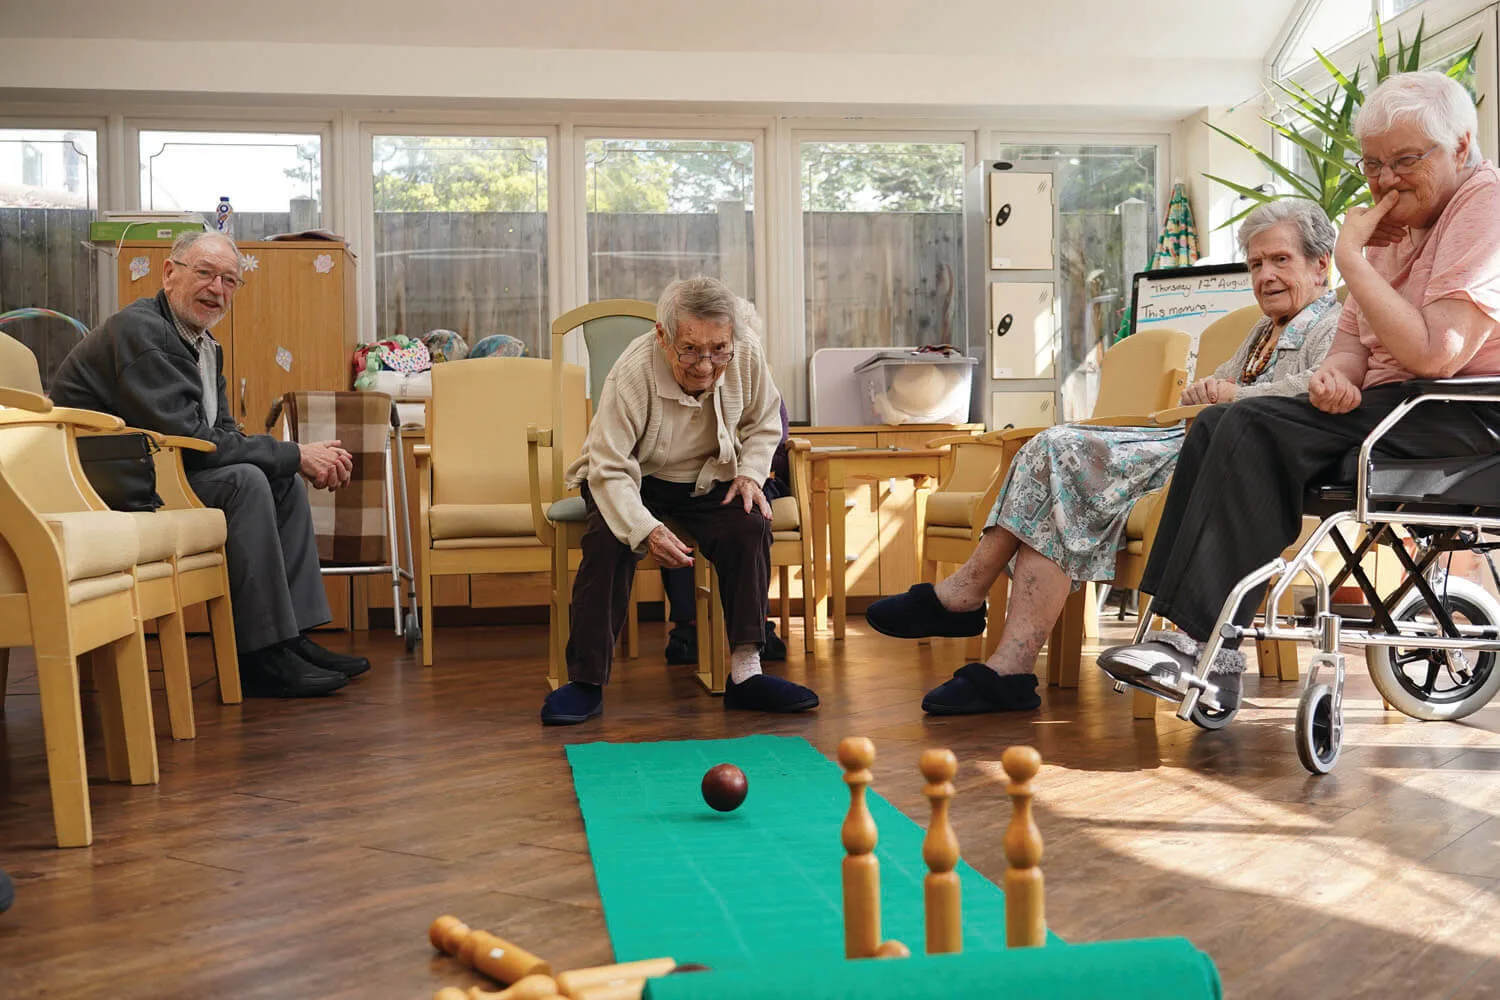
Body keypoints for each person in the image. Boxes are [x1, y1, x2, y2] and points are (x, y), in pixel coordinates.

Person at [1099, 71, 1500, 709]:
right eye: (1372, 164)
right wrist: (1337, 374)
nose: (1385, 180)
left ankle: (1204, 650)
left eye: (1404, 161)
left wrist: (1352, 263)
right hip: (1389, 408)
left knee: (1250, 425)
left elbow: (1434, 353)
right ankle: (1192, 643)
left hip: (1460, 416)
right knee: (1214, 425)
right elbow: (1352, 341)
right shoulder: (1393, 228)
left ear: (1461, 145)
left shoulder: (1485, 205)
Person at [864, 197, 1342, 714]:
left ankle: (966, 597)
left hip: (1227, 461)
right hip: (1191, 439)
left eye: (1279, 260)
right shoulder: (1260, 330)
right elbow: (1211, 387)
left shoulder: (1333, 325)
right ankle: (1006, 668)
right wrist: (1202, 391)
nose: (1265, 275)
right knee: (1051, 465)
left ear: (1321, 264)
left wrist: (1231, 397)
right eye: (1255, 264)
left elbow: (1314, 398)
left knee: (1057, 450)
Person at [49, 231, 370, 698]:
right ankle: (261, 656)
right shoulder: (143, 334)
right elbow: (196, 442)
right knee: (245, 482)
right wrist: (297, 453)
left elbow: (220, 432)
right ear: (170, 273)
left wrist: (289, 461)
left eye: (229, 280)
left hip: (154, 467)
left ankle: (290, 637)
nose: (216, 288)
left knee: (280, 482)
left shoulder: (202, 344)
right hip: (104, 484)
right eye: (204, 273)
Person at [541, 276, 819, 725]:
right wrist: (644, 528)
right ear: (663, 337)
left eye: (718, 349)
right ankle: (586, 682)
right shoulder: (632, 372)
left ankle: (746, 674)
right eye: (691, 349)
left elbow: (766, 420)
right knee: (609, 543)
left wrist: (750, 473)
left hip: (705, 477)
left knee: (750, 524)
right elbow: (609, 467)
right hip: (628, 476)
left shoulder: (745, 352)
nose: (706, 365)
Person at [661, 398, 791, 665]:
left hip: (755, 477)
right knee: (676, 515)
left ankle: (759, 623)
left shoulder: (759, 386)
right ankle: (688, 625)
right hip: (693, 479)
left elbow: (775, 443)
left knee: (749, 517)